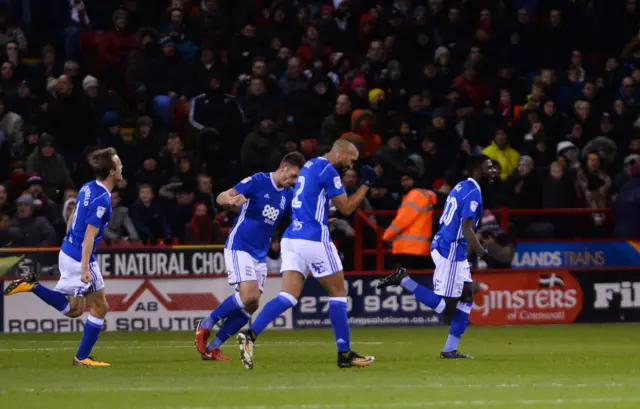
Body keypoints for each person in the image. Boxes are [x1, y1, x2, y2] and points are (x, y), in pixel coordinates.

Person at [236, 140, 378, 370]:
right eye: (351, 158)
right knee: (338, 293)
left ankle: (250, 334)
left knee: (289, 296)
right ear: (340, 153)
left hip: (292, 237)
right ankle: (345, 354)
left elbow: (312, 201)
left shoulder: (310, 165)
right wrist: (366, 185)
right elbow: (348, 208)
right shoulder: (329, 170)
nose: (352, 164)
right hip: (314, 238)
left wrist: (323, 213)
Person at [3, 148, 122, 367]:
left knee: (76, 309)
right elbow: (89, 237)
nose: (122, 167)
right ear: (113, 171)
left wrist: (68, 239)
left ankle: (32, 286)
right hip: (80, 257)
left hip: (67, 250)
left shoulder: (88, 187)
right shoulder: (103, 200)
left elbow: (73, 215)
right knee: (100, 307)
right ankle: (82, 357)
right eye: (119, 164)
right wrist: (85, 269)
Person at [377, 154, 499, 359]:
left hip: (452, 246)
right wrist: (484, 255)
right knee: (448, 308)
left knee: (468, 294)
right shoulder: (473, 193)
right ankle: (405, 280)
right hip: (449, 248)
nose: (494, 170)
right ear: (478, 170)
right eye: (489, 167)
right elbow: (467, 228)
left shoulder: (462, 186)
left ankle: (450, 349)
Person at [194, 152, 306, 360]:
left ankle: (213, 347)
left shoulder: (287, 195)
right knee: (249, 296)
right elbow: (222, 197)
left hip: (259, 253)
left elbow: (299, 215)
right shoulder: (258, 181)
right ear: (283, 166)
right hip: (240, 246)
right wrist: (231, 200)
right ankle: (206, 323)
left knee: (252, 304)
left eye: (296, 179)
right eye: (292, 176)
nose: (292, 181)